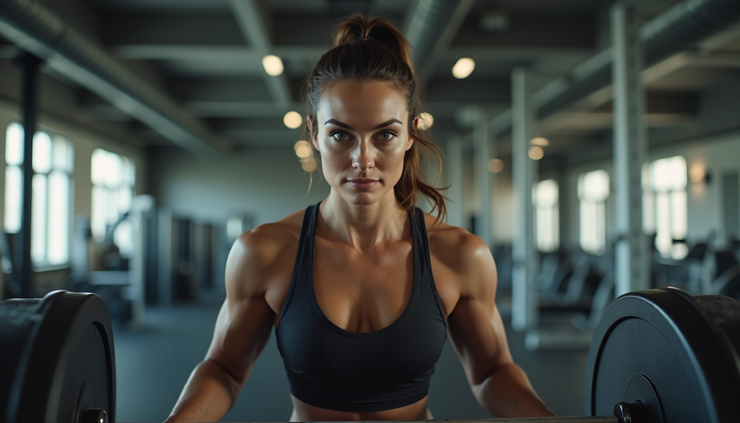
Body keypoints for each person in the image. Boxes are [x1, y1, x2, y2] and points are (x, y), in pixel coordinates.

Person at [165, 14, 554, 422]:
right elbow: (225, 368)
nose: (362, 160)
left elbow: (492, 371)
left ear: (410, 134)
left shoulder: (461, 255)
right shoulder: (262, 252)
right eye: (341, 134)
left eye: (384, 134)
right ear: (314, 133)